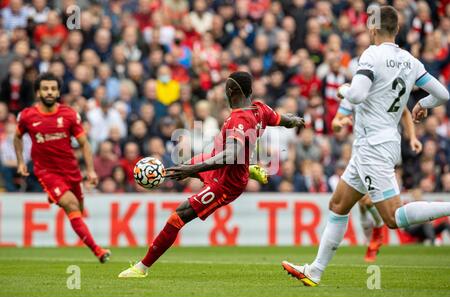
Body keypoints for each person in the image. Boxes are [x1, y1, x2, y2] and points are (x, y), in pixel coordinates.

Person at [282, 5, 450, 287]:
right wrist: (423, 103)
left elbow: (357, 95)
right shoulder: (410, 61)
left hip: (374, 147)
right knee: (338, 204)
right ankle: (315, 271)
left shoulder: (371, 55)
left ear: (373, 29)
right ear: (397, 29)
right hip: (372, 146)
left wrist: (344, 91)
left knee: (394, 217)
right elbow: (442, 94)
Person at [118, 71, 305, 278]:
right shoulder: (260, 109)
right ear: (250, 91)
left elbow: (231, 154)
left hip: (225, 183)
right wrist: (296, 120)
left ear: (230, 91)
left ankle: (141, 268)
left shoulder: (239, 119)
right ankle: (245, 168)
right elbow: (282, 120)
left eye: (225, 86)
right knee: (183, 165)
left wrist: (192, 171)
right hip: (219, 163)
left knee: (177, 216)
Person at [14, 72, 111, 263]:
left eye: (53, 88)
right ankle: (98, 251)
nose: (49, 92)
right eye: (45, 89)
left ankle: (56, 196)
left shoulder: (69, 115)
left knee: (78, 210)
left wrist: (90, 170)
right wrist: (20, 161)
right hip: (47, 172)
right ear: (38, 93)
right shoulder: (27, 116)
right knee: (71, 204)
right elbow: (17, 137)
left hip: (71, 171)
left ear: (58, 92)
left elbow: (84, 143)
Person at [331, 99, 423, 262]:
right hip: (362, 152)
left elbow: (405, 112)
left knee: (366, 202)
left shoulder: (384, 91)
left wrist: (412, 137)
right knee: (360, 203)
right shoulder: (356, 92)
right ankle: (373, 238)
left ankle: (377, 233)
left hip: (382, 154)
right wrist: (341, 122)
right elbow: (335, 124)